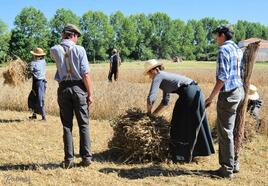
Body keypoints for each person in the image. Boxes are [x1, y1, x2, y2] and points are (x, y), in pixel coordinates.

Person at [144, 59, 215, 163]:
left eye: (149, 73)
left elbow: (151, 98)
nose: (150, 77)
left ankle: (180, 156)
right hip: (196, 92)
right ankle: (189, 154)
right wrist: (153, 115)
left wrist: (148, 113)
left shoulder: (158, 76)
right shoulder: (164, 77)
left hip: (189, 94)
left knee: (178, 123)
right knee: (190, 123)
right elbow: (165, 101)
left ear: (154, 70)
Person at [50, 23, 93, 168]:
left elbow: (57, 58)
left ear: (63, 34)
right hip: (79, 88)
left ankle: (69, 160)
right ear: (73, 35)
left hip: (63, 89)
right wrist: (90, 94)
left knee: (67, 126)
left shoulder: (54, 50)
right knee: (83, 124)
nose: (77, 40)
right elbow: (85, 74)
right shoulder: (80, 50)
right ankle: (86, 158)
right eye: (77, 37)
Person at [205, 25, 245, 178]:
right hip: (239, 92)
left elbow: (222, 77)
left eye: (217, 35)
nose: (216, 38)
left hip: (228, 94)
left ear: (222, 35)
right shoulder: (237, 49)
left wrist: (211, 97)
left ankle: (226, 169)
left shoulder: (223, 50)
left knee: (225, 132)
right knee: (232, 129)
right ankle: (234, 164)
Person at [28, 47, 47, 121]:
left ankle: (44, 117)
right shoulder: (44, 61)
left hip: (38, 83)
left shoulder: (33, 63)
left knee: (38, 99)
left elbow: (29, 74)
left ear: (35, 55)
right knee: (35, 98)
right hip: (41, 83)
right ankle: (34, 115)